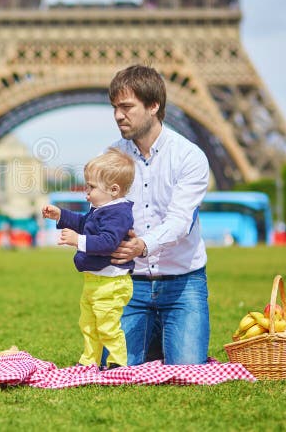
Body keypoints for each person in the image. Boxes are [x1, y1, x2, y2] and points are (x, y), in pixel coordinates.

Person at [108, 64, 211, 365]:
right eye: (114, 107)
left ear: (154, 106)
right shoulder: (113, 156)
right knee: (114, 371)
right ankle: (156, 342)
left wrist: (141, 244)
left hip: (183, 283)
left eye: (126, 107)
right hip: (130, 285)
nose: (117, 115)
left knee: (188, 372)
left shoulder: (189, 156)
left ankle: (161, 341)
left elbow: (180, 222)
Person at [43, 148, 136, 369]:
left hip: (111, 283)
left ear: (114, 190)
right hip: (94, 281)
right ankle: (89, 361)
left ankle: (118, 363)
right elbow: (83, 222)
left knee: (108, 326)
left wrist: (78, 240)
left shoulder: (119, 213)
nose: (86, 192)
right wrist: (61, 216)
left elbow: (108, 242)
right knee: (88, 324)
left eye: (91, 187)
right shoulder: (100, 209)